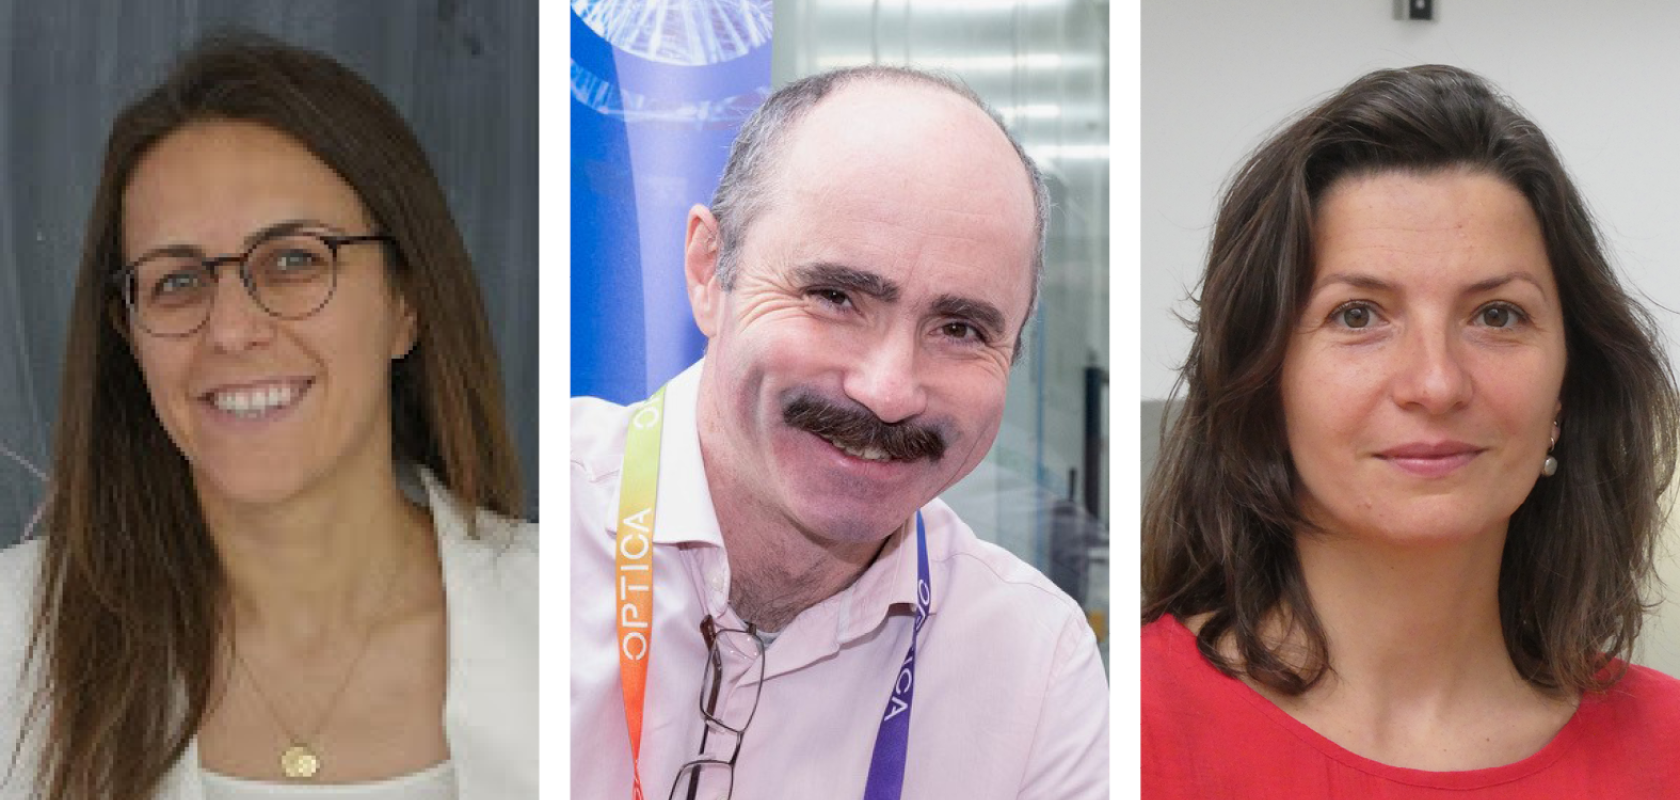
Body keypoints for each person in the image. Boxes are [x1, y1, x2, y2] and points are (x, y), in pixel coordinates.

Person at [0, 35, 535, 800]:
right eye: (177, 281)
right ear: (130, 338)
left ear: (406, 304)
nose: (230, 328)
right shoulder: (11, 640)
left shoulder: (581, 619)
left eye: (292, 261)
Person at [571, 66, 1109, 799]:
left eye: (959, 328)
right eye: (834, 296)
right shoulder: (535, 529)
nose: (888, 392)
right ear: (707, 271)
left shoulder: (1035, 666)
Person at [1142, 64, 1680, 797]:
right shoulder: (1127, 726)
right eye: (1357, 315)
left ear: (1567, 389)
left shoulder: (1667, 747)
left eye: (1497, 315)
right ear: (1265, 380)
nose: (1435, 383)